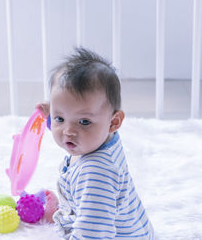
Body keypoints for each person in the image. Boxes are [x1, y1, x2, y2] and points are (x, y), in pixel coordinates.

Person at [37, 47, 154, 239]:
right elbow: (72, 120)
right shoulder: (103, 137)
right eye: (59, 118)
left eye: (84, 122)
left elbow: (93, 233)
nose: (68, 131)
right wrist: (53, 115)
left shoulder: (96, 174)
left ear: (114, 122)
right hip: (136, 228)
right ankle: (66, 214)